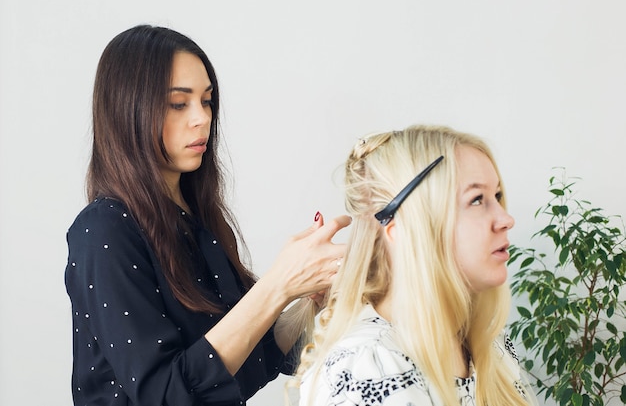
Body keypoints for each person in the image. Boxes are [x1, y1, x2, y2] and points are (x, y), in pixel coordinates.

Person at [64, 24, 350, 406]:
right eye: (179, 104)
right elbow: (163, 395)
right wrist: (278, 283)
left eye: (207, 100)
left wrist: (309, 297)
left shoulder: (195, 220)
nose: (202, 118)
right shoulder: (103, 230)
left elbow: (246, 361)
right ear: (127, 111)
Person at [293, 125, 538, 406]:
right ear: (404, 231)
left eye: (496, 196)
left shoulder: (488, 346)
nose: (506, 219)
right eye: (477, 200)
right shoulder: (366, 370)